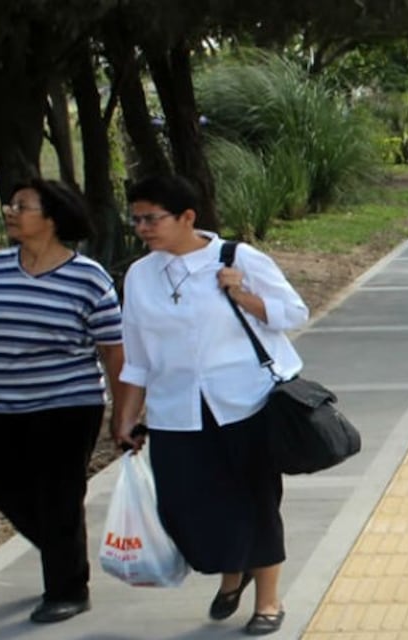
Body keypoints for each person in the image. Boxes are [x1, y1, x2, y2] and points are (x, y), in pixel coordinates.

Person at [113, 175, 308, 636]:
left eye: (152, 218)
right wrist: (124, 416)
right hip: (175, 411)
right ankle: (231, 570)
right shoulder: (141, 276)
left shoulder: (237, 258)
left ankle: (267, 600)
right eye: (136, 218)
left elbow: (295, 313)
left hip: (245, 403)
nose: (142, 227)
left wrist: (242, 294)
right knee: (185, 507)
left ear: (186, 218)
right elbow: (137, 354)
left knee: (254, 501)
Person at [0, 178, 124, 624]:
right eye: (10, 204)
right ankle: (64, 552)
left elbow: (113, 350)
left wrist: (124, 413)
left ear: (52, 218)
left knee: (59, 495)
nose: (10, 211)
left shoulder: (88, 277)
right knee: (2, 488)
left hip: (67, 405)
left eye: (22, 205)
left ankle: (68, 589)